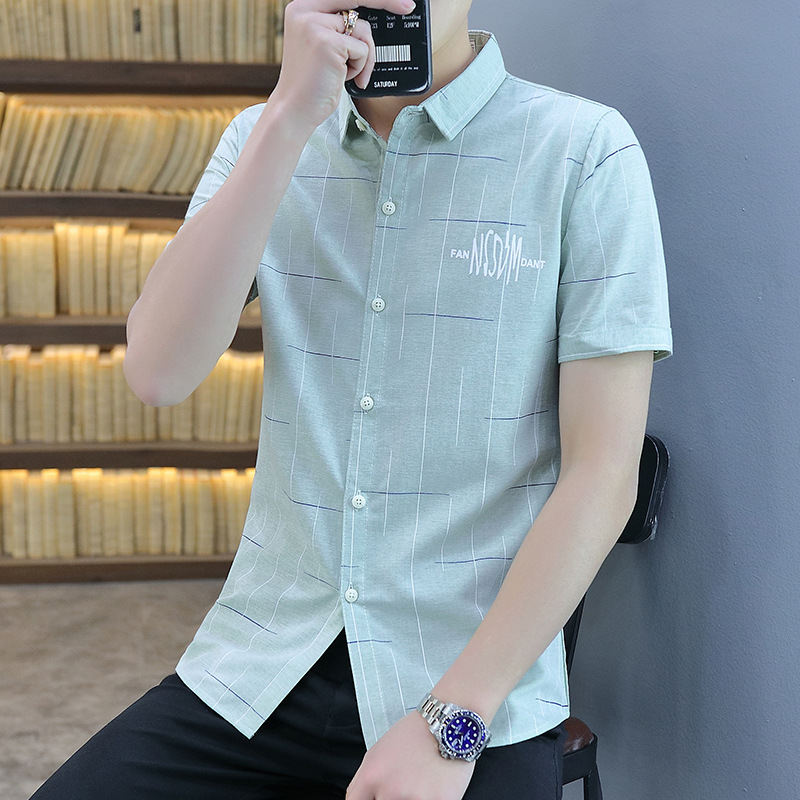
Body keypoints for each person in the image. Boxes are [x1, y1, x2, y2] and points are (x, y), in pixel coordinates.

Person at [32, 0, 672, 798]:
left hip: (470, 687)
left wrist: (454, 721)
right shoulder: (262, 136)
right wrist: (287, 116)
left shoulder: (582, 149)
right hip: (262, 667)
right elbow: (157, 373)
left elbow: (602, 474)